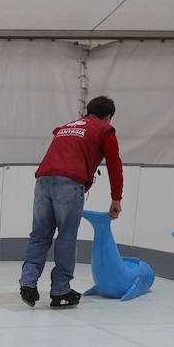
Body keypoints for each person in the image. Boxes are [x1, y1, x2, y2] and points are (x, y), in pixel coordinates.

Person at [19, 96, 124, 308]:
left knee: (40, 234)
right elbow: (114, 165)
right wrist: (116, 198)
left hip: (43, 180)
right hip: (69, 182)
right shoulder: (104, 129)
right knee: (66, 236)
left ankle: (28, 282)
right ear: (108, 117)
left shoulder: (66, 127)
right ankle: (60, 291)